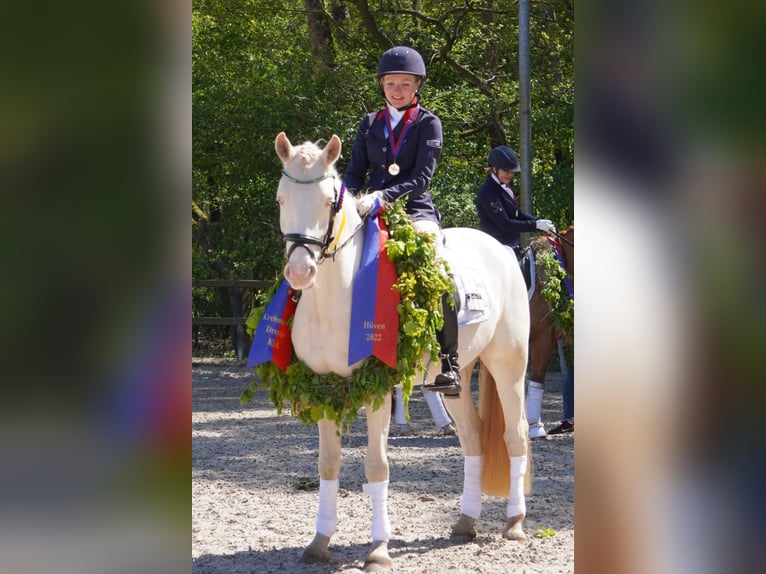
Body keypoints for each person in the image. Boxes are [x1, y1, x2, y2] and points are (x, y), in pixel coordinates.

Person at [343, 46, 461, 396]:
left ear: (416, 87)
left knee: (439, 271)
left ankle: (448, 360)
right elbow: (353, 172)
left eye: (404, 84)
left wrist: (384, 196)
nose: (397, 90)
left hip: (414, 208)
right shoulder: (369, 124)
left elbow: (422, 178)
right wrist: (343, 200)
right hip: (367, 207)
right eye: (391, 83)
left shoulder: (428, 123)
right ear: (382, 85)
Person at [476, 145, 556, 259]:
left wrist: (539, 221)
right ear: (494, 168)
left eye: (512, 172)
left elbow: (516, 213)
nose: (510, 175)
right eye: (506, 171)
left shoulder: (503, 186)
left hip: (511, 246)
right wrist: (535, 225)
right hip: (497, 249)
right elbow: (505, 224)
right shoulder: (488, 192)